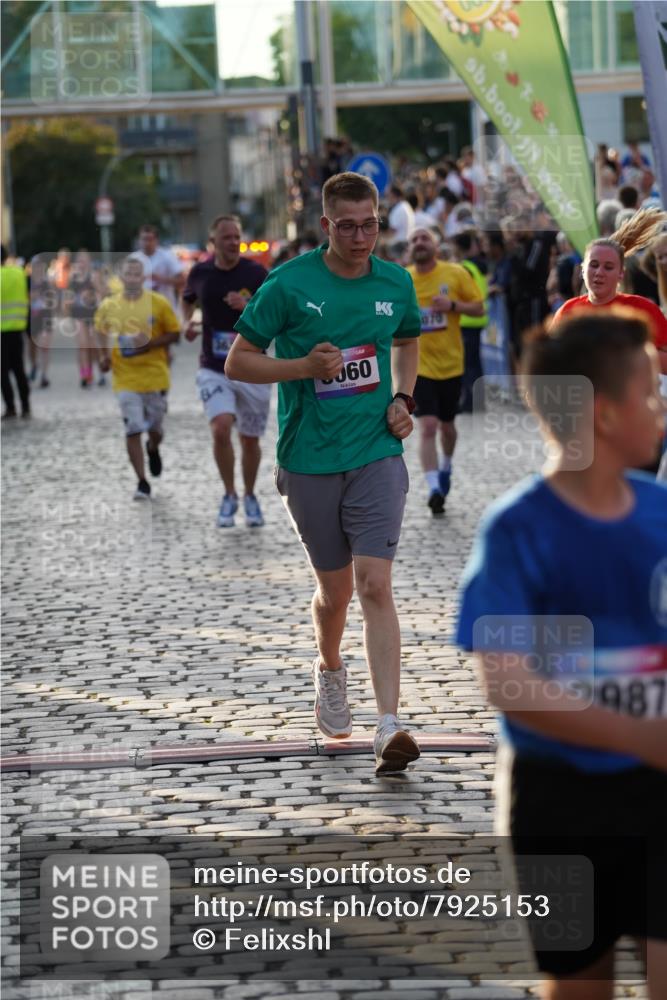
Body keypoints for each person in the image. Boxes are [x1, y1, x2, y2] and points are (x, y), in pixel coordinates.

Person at [457, 309, 667, 999]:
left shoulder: (659, 512)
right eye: (650, 391)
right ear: (604, 414)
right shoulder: (519, 531)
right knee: (579, 984)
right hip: (557, 798)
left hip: (659, 791)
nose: (662, 403)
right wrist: (639, 734)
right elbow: (509, 682)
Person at [225, 171, 422, 775]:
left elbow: (408, 341)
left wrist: (403, 399)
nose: (361, 236)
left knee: (375, 586)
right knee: (334, 594)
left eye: (371, 224)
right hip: (308, 460)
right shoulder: (289, 284)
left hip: (375, 453)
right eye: (348, 226)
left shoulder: (395, 281)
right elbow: (239, 362)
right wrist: (303, 366)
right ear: (325, 225)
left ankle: (388, 724)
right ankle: (330, 669)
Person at [182, 215, 271, 528]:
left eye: (237, 237)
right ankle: (229, 493)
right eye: (227, 238)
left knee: (249, 440)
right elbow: (188, 300)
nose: (233, 242)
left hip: (252, 367)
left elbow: (274, 314)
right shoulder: (200, 272)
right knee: (220, 427)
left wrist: (246, 306)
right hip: (213, 366)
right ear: (213, 243)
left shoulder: (256, 273)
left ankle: (249, 494)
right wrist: (188, 322)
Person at [407, 228, 484, 515]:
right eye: (414, 240)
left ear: (436, 246)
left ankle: (446, 467)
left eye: (424, 238)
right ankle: (433, 487)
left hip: (451, 364)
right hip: (419, 364)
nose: (419, 243)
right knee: (427, 427)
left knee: (448, 428)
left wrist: (452, 305)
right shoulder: (404, 279)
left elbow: (478, 308)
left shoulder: (455, 273)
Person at [95, 257, 180, 500]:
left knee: (155, 429)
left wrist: (149, 343)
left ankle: (153, 448)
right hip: (125, 378)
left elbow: (175, 334)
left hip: (155, 376)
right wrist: (102, 356)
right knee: (132, 427)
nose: (132, 278)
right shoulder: (109, 305)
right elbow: (100, 330)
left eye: (136, 274)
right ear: (121, 279)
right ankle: (142, 481)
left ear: (143, 278)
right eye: (128, 274)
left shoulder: (158, 303)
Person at [553, 209, 667, 375]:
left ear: (621, 273)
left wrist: (633, 354)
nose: (599, 272)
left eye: (608, 267)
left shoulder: (642, 309)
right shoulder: (568, 311)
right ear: (583, 269)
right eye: (593, 265)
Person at [1, 245, 30, 419]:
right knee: (19, 369)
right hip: (18, 328)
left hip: (1, 332)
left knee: (3, 372)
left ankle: (10, 407)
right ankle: (26, 406)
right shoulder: (18, 272)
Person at [131, 225, 185, 314]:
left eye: (150, 239)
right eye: (144, 239)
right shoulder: (133, 259)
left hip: (165, 311)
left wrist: (160, 279)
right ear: (139, 240)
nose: (147, 243)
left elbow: (182, 280)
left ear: (156, 240)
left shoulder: (167, 256)